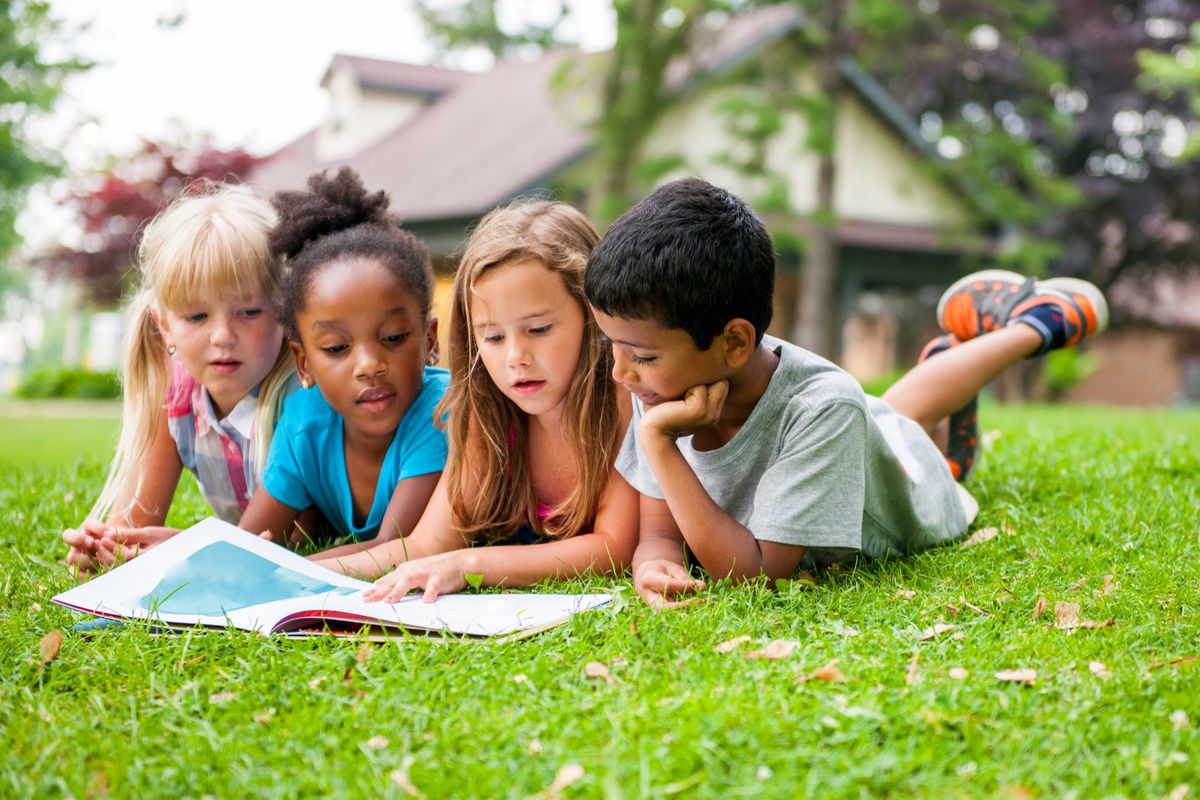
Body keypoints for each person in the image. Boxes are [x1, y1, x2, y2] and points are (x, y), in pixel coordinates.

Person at [583, 177, 1108, 608]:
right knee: (892, 413)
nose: (619, 373)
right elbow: (658, 532)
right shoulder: (660, 378)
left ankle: (1038, 322)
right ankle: (954, 360)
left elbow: (758, 575)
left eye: (642, 356)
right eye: (615, 347)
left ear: (734, 342)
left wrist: (659, 445)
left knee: (906, 433)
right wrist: (657, 563)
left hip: (912, 484)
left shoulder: (822, 406)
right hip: (858, 424)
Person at [315, 199, 638, 601]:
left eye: (538, 329)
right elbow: (426, 545)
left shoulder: (626, 400)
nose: (515, 357)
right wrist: (298, 571)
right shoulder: (489, 413)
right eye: (494, 337)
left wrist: (468, 566)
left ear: (593, 318)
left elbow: (614, 548)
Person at [62, 185, 295, 571]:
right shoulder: (177, 399)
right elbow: (133, 525)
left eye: (249, 311)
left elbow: (296, 540)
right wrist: (103, 547)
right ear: (164, 326)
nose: (222, 336)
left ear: (284, 313)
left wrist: (190, 549)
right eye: (197, 317)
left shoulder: (302, 396)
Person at [238, 168, 449, 549]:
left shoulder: (441, 410)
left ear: (429, 339)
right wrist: (176, 550)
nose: (369, 364)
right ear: (303, 362)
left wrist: (284, 568)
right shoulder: (305, 422)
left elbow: (397, 548)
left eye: (394, 337)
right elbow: (250, 544)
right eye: (337, 348)